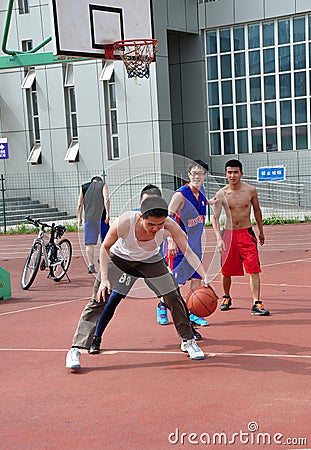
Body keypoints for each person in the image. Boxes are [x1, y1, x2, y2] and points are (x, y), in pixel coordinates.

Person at [65, 185, 203, 369]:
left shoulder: (169, 224)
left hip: (151, 261)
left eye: (160, 224)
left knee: (172, 295)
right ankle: (76, 348)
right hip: (119, 259)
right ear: (141, 216)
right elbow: (105, 248)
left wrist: (204, 275)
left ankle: (188, 340)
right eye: (151, 224)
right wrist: (104, 278)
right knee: (99, 299)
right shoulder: (124, 222)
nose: (156, 228)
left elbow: (188, 251)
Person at [157, 160, 215, 328]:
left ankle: (191, 313)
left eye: (200, 173)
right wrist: (170, 240)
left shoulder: (202, 191)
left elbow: (200, 206)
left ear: (205, 176)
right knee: (174, 284)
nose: (197, 176)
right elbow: (167, 218)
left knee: (196, 280)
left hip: (195, 245)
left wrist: (212, 201)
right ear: (189, 175)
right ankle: (162, 305)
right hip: (178, 246)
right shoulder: (180, 195)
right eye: (194, 173)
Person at [211, 159, 270, 316]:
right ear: (225, 174)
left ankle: (256, 302)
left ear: (241, 173)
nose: (232, 175)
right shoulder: (221, 193)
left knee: (254, 269)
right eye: (229, 172)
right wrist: (218, 238)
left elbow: (257, 210)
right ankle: (226, 296)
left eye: (235, 172)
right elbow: (215, 218)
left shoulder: (250, 190)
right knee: (226, 271)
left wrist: (261, 231)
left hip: (246, 234)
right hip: (228, 235)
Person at [77, 176, 110, 274]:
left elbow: (80, 203)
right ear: (100, 181)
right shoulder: (103, 185)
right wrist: (108, 213)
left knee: (89, 244)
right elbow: (106, 198)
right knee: (105, 241)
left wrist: (79, 217)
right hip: (102, 219)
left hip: (89, 219)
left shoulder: (83, 187)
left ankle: (91, 265)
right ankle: (102, 259)